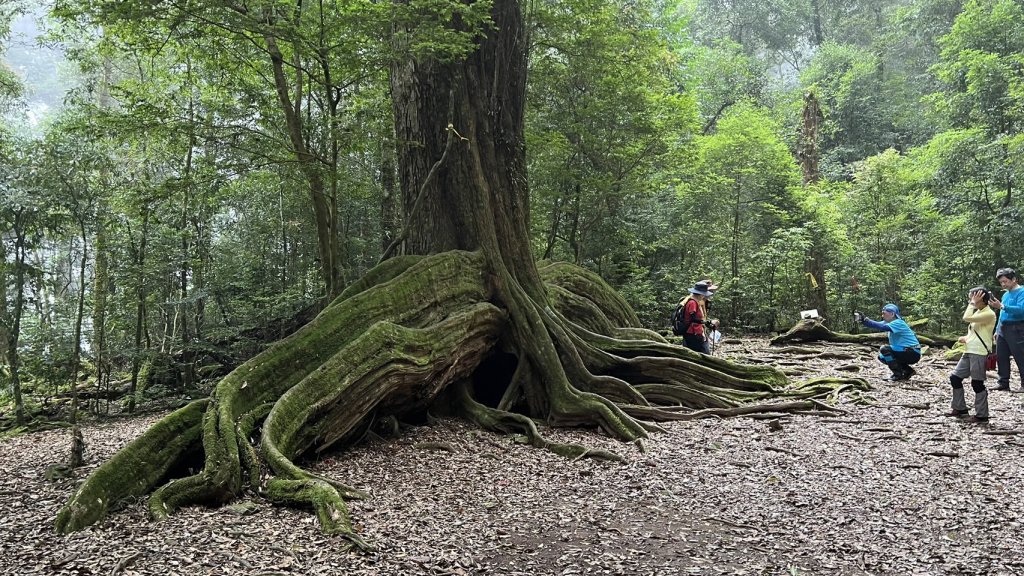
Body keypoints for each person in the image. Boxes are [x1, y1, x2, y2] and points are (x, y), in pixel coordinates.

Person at [946, 286, 996, 423]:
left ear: (980, 298)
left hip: (979, 352)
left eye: (973, 297)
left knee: (977, 383)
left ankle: (981, 415)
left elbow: (966, 317)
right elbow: (974, 331)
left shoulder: (989, 313)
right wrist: (966, 338)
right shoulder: (980, 312)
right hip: (969, 350)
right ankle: (960, 408)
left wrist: (972, 303)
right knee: (955, 378)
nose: (971, 300)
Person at [854, 303, 921, 380]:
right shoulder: (890, 323)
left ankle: (897, 374)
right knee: (882, 357)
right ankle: (908, 371)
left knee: (885, 349)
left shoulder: (899, 322)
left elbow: (882, 326)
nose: (882, 316)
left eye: (884, 313)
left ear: (892, 314)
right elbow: (876, 324)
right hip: (907, 351)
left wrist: (865, 319)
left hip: (912, 351)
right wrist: (863, 320)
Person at [990, 267, 1024, 391]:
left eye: (1005, 281)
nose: (1003, 284)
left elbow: (1021, 310)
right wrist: (997, 329)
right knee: (1001, 356)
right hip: (1003, 328)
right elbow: (1001, 314)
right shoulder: (1005, 294)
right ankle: (1003, 382)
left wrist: (1002, 306)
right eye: (1001, 282)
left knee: (1020, 355)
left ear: (1014, 279)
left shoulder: (1022, 292)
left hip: (1017, 327)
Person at [676, 282, 717, 354]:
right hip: (692, 333)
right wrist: (707, 322)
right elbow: (693, 319)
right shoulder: (692, 303)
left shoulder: (696, 302)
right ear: (700, 294)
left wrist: (707, 324)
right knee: (700, 353)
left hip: (695, 332)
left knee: (700, 352)